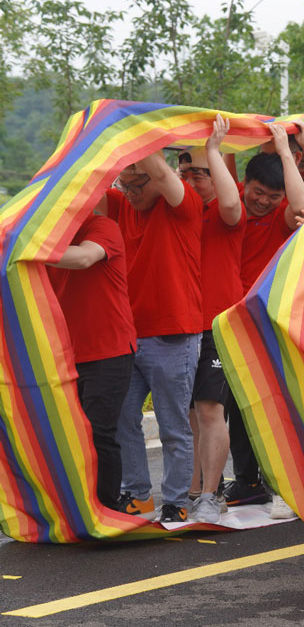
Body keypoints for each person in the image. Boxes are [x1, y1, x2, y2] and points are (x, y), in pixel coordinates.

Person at [107, 151, 203, 523]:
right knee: (122, 419)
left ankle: (177, 500)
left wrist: (135, 137)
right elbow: (86, 185)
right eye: (123, 184)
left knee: (173, 424)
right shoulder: (120, 206)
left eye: (135, 184)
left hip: (173, 336)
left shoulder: (183, 205)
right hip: (128, 336)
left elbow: (163, 172)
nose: (128, 192)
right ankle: (138, 495)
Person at [222, 123, 304, 520]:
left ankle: (284, 488)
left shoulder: (282, 218)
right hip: (230, 323)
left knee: (275, 406)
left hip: (270, 322)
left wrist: (286, 151)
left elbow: (299, 201)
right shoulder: (231, 209)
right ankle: (247, 482)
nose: (263, 202)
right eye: (258, 192)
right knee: (237, 405)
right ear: (244, 183)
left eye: (273, 197)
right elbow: (223, 166)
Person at [178, 115, 244, 523]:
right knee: (191, 414)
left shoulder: (224, 214)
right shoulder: (179, 212)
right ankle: (199, 489)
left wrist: (216, 151)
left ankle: (209, 496)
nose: (189, 180)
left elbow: (233, 203)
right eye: (183, 172)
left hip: (218, 325)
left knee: (208, 410)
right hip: (181, 324)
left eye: (198, 174)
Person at [47, 214, 137, 511]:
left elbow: (85, 257)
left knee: (99, 433)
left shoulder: (102, 226)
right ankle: (78, 507)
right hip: (66, 354)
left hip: (109, 352)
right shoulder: (47, 238)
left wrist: (32, 248)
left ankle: (107, 507)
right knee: (68, 436)